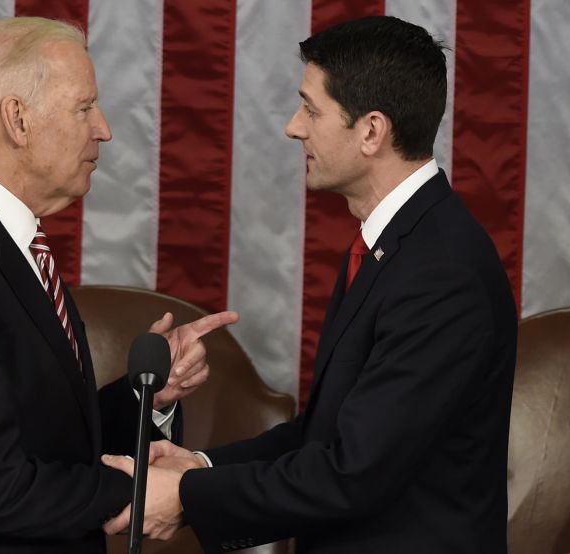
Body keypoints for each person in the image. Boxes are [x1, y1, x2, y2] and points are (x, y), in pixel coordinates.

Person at [102, 15, 517, 553]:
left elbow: (353, 472)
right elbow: (326, 437)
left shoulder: (441, 274)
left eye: (311, 109)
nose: (293, 127)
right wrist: (200, 466)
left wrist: (187, 495)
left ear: (371, 131)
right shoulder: (400, 245)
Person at [0, 16, 237, 554]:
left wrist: (148, 396)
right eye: (85, 107)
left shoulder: (2, 244)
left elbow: (56, 437)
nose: (104, 128)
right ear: (17, 119)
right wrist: (141, 491)